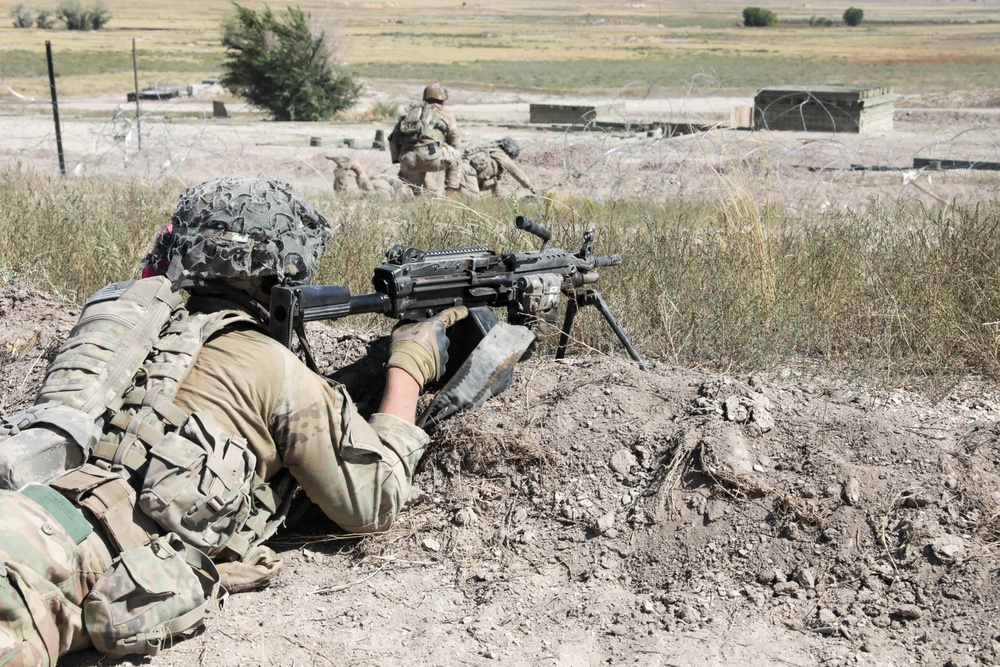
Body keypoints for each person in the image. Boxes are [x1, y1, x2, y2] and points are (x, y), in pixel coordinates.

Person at [0, 175, 469, 665]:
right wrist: (408, 368)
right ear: (273, 274)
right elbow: (375, 504)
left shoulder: (119, 324)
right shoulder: (271, 366)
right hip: (48, 571)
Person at [388, 82, 461, 196]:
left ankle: (410, 199)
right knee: (456, 156)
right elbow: (455, 141)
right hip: (431, 157)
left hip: (408, 159)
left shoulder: (411, 113)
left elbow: (393, 139)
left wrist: (398, 159)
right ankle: (450, 194)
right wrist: (445, 146)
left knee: (412, 190)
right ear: (442, 99)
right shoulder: (445, 114)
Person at [460, 136, 536, 197]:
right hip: (468, 171)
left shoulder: (492, 150)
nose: (512, 158)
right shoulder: (500, 154)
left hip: (469, 171)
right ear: (509, 151)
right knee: (473, 199)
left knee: (495, 192)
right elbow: (516, 172)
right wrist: (531, 187)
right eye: (512, 156)